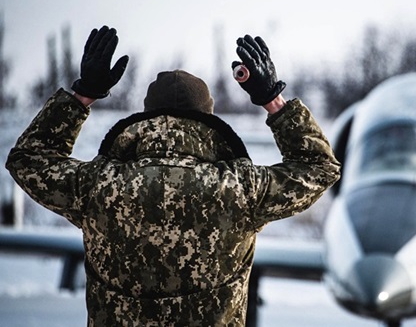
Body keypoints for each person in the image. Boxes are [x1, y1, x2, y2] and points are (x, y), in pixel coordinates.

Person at [5, 25, 341, 326]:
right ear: (207, 119)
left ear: (146, 116)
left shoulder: (99, 185)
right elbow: (318, 167)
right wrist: (273, 100)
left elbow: (29, 160)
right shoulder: (241, 188)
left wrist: (81, 96)